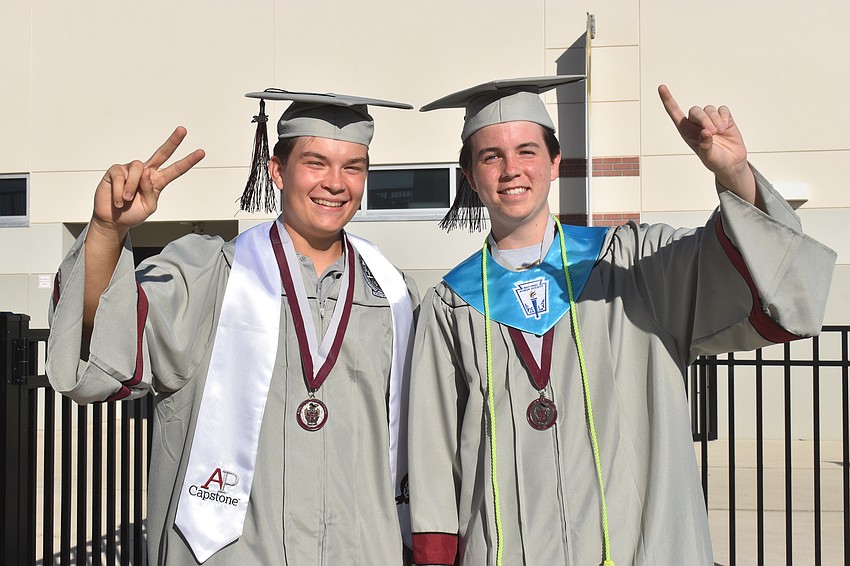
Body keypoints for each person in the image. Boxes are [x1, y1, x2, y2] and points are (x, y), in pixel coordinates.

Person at [407, 76, 836, 566]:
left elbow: (766, 284)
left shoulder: (632, 262)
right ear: (469, 176)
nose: (511, 170)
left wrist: (735, 178)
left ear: (554, 162)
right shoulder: (450, 304)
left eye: (527, 151)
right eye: (491, 157)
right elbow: (433, 459)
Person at [47, 89, 418, 565]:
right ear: (277, 170)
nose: (335, 183)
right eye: (316, 162)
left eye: (353, 167)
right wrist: (106, 231)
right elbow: (105, 331)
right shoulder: (210, 276)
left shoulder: (393, 295)